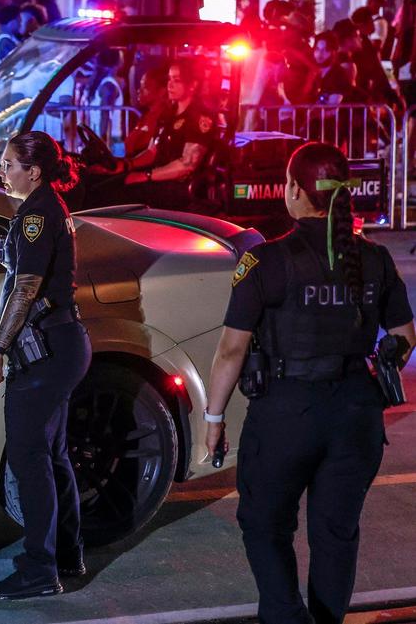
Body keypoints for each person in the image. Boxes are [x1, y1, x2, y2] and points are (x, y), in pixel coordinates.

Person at [203, 141, 415, 624]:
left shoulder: (265, 261)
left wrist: (213, 419)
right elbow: (404, 336)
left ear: (294, 190)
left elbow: (232, 350)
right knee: (336, 532)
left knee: (263, 525)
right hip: (356, 415)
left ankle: (285, 617)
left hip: (286, 413)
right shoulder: (374, 258)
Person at [0, 131, 89, 600]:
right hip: (62, 346)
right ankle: (66, 553)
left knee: (28, 459)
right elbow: (30, 263)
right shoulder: (43, 209)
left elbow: (27, 287)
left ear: (32, 171)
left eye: (7, 164)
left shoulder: (37, 212)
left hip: (47, 350)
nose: (1, 172)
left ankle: (39, 570)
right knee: (51, 456)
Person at [121, 58, 215, 210]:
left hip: (177, 187)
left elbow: (187, 165)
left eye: (176, 80)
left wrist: (146, 176)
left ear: (192, 85)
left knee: (118, 194)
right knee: (113, 182)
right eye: (169, 79)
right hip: (158, 179)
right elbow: (153, 151)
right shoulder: (168, 113)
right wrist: (126, 165)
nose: (170, 85)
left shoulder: (200, 117)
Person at [124, 65, 168, 158]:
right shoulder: (147, 116)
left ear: (162, 91)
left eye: (145, 87)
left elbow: (146, 152)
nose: (139, 90)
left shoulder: (162, 118)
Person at [313, 31, 356, 105]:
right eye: (317, 49)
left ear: (334, 52)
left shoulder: (338, 75)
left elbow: (332, 108)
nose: (320, 53)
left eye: (326, 50)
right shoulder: (311, 72)